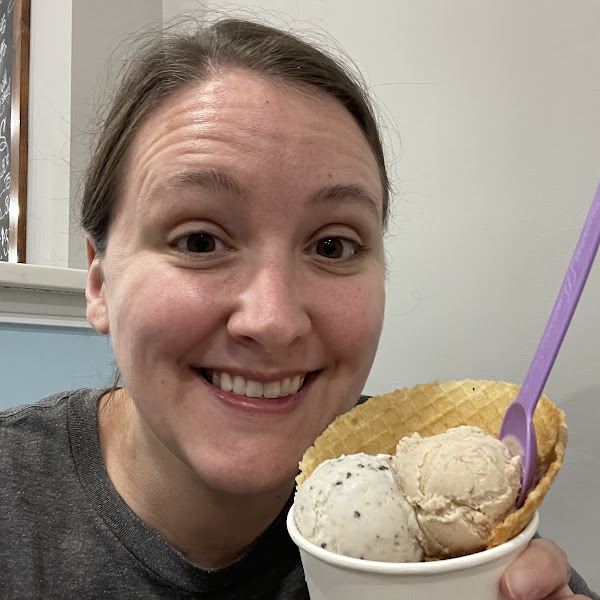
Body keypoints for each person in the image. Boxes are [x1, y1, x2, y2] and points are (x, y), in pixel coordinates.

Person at [0, 17, 597, 600]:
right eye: (199, 241)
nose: (274, 319)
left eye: (332, 246)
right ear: (100, 281)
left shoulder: (460, 535)